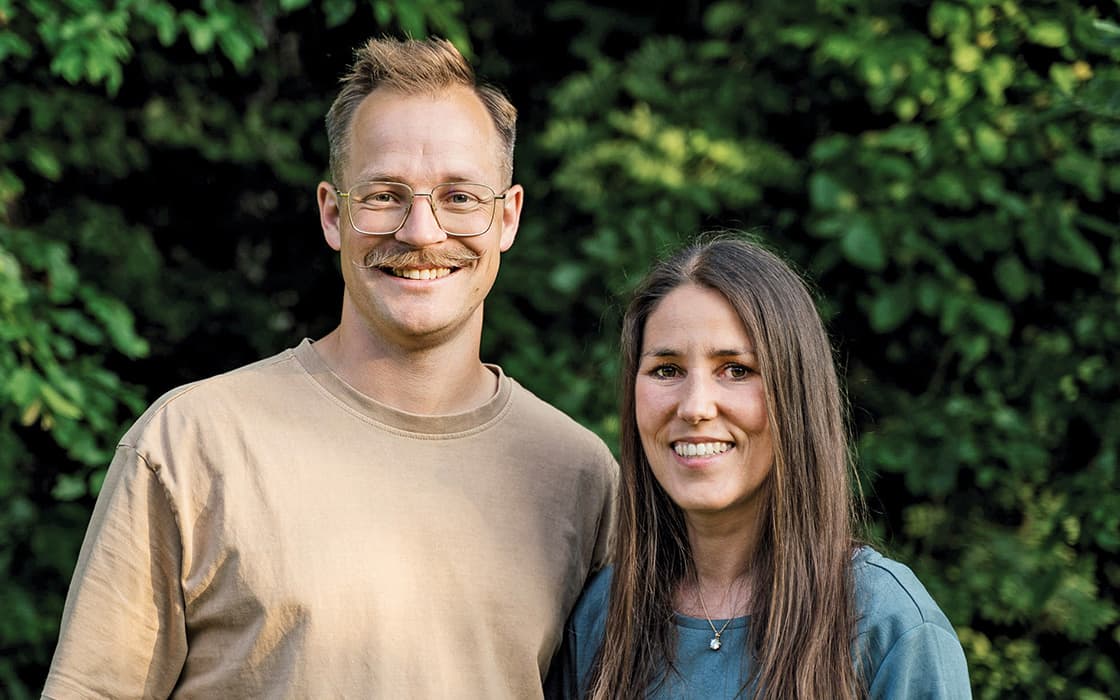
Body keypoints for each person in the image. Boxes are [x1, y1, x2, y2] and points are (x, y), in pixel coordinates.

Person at [43, 36, 617, 699]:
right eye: (384, 195)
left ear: (507, 217)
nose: (421, 232)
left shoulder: (579, 475)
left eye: (459, 196)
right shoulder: (192, 444)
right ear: (333, 213)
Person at [554, 236, 971, 698]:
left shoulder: (885, 624)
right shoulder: (604, 616)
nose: (695, 407)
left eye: (736, 369)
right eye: (667, 369)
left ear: (796, 393)